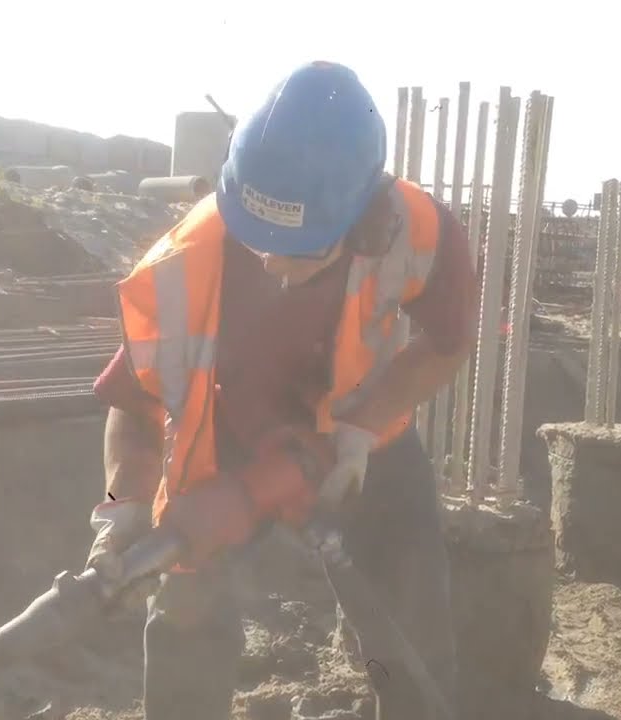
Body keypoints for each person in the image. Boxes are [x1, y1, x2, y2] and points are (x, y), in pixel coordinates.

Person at [86, 61, 477, 720]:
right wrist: (121, 506)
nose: (270, 261)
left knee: (408, 616)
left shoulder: (417, 229)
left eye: (298, 250)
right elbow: (133, 401)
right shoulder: (184, 263)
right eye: (255, 236)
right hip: (224, 449)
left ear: (364, 221)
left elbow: (446, 341)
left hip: (364, 440)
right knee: (185, 613)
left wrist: (360, 431)